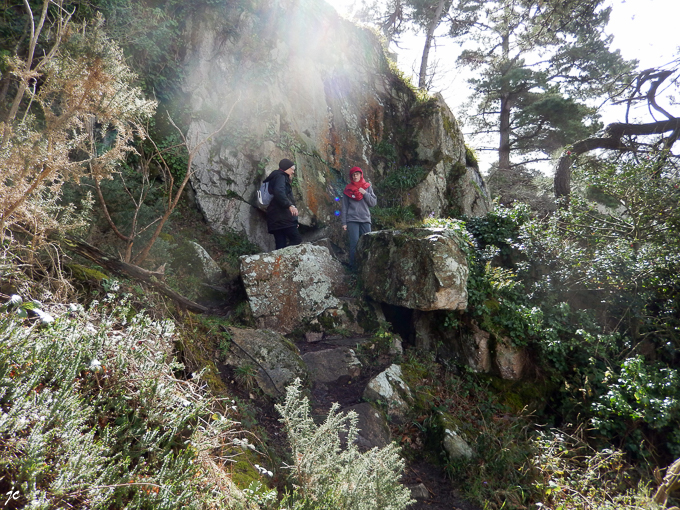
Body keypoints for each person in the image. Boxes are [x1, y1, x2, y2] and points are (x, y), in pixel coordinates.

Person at [341, 166, 377, 268]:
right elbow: (344, 207)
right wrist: (344, 222)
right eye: (353, 175)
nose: (355, 176)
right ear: (351, 177)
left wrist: (365, 193)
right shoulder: (348, 189)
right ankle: (353, 267)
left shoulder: (367, 187)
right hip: (352, 220)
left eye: (357, 174)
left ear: (361, 175)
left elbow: (373, 203)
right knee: (354, 244)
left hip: (365, 219)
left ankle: (367, 267)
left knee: (368, 242)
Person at [263, 158, 302, 250]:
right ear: (286, 168)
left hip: (274, 217)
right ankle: (286, 260)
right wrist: (290, 205)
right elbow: (279, 192)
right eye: (292, 169)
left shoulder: (274, 177)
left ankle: (281, 262)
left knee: (280, 245)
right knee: (296, 239)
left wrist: (294, 221)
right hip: (283, 217)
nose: (293, 172)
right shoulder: (281, 176)